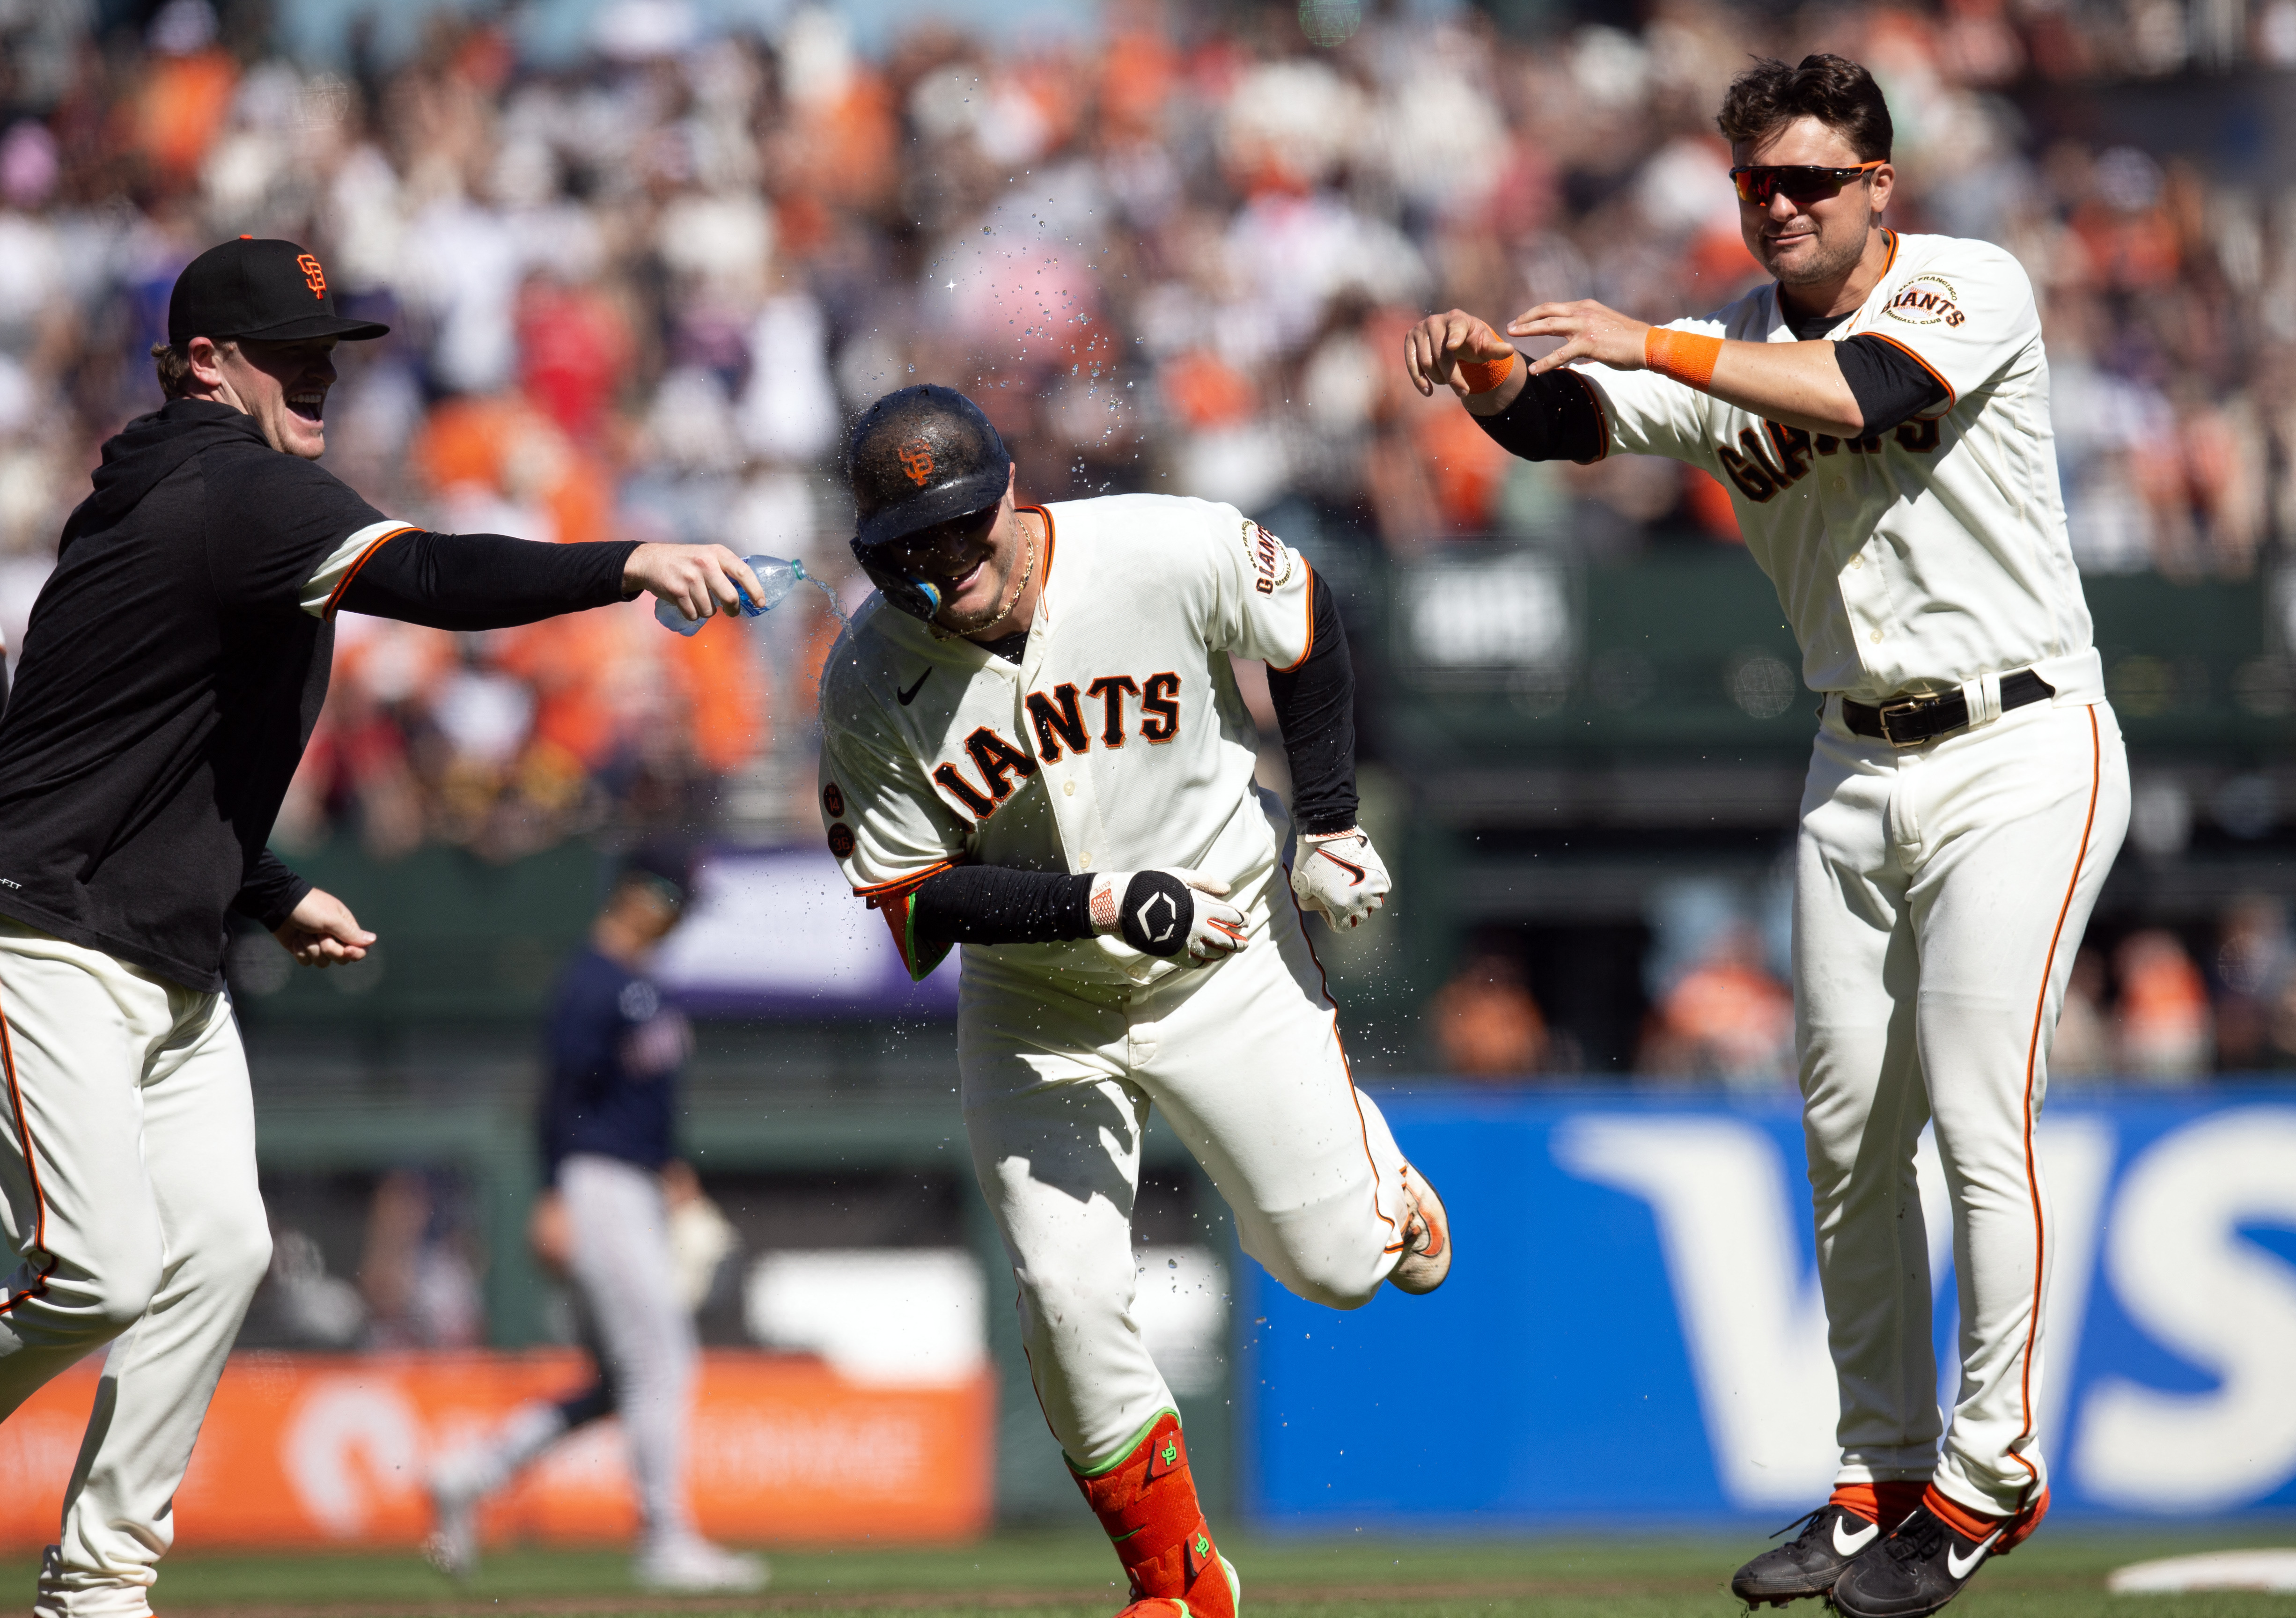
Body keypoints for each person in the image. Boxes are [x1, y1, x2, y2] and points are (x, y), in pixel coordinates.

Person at [1408, 54, 2130, 1618]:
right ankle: (1873, 1476)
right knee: (1844, 1133)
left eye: (1812, 179)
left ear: (1881, 186)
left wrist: (1642, 337)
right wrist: (1485, 375)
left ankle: (1987, 1475)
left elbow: (1863, 391)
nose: (1784, 205)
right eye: (1759, 184)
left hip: (2020, 741)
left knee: (1976, 1118)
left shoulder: (1966, 282)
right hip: (1851, 759)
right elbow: (1565, 424)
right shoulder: (1726, 341)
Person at [0, 236, 764, 1618]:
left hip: (161, 956)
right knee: (101, 1267)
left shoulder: (205, 499)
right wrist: (629, 558)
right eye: (288, 353)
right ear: (201, 366)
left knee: (220, 1252)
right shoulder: (225, 485)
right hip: (40, 939)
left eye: (332, 352)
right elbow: (432, 580)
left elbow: (142, 756)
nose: (321, 375)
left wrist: (268, 885)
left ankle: (100, 1584)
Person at [817, 385, 1449, 1618]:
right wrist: (1096, 905)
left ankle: (1381, 1177)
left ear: (1010, 495)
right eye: (910, 556)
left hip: (1224, 954)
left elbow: (1304, 617)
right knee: (1065, 1290)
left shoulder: (1160, 547)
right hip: (1036, 995)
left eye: (960, 536)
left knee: (1334, 1269)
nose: (945, 576)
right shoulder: (868, 677)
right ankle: (1177, 1586)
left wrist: (1328, 819)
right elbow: (914, 901)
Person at [425, 852, 760, 1594]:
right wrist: (551, 1195)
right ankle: (665, 1542)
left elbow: (632, 1096)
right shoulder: (594, 980)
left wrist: (669, 1168)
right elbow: (560, 1095)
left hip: (633, 1182)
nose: (682, 920)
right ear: (639, 895)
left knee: (620, 1380)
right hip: (598, 1184)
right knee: (663, 1364)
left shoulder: (637, 982)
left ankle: (471, 1474)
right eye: (676, 901)